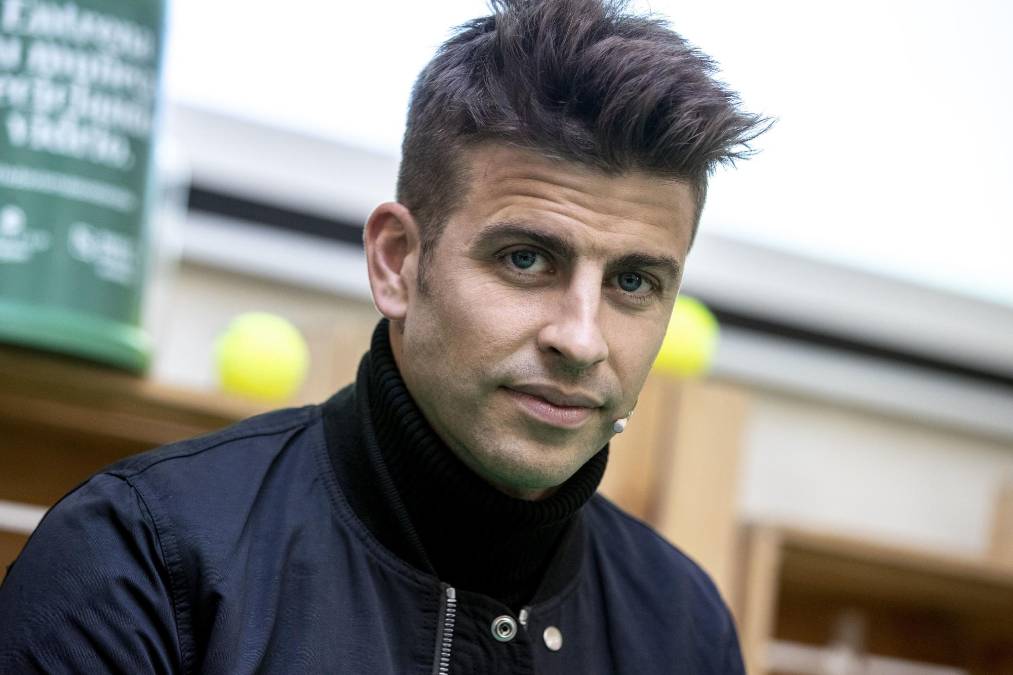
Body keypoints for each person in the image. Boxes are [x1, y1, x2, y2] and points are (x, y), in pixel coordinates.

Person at [0, 0, 768, 672]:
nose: (580, 337)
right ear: (397, 261)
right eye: (525, 259)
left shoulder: (683, 626)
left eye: (632, 282)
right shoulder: (138, 562)